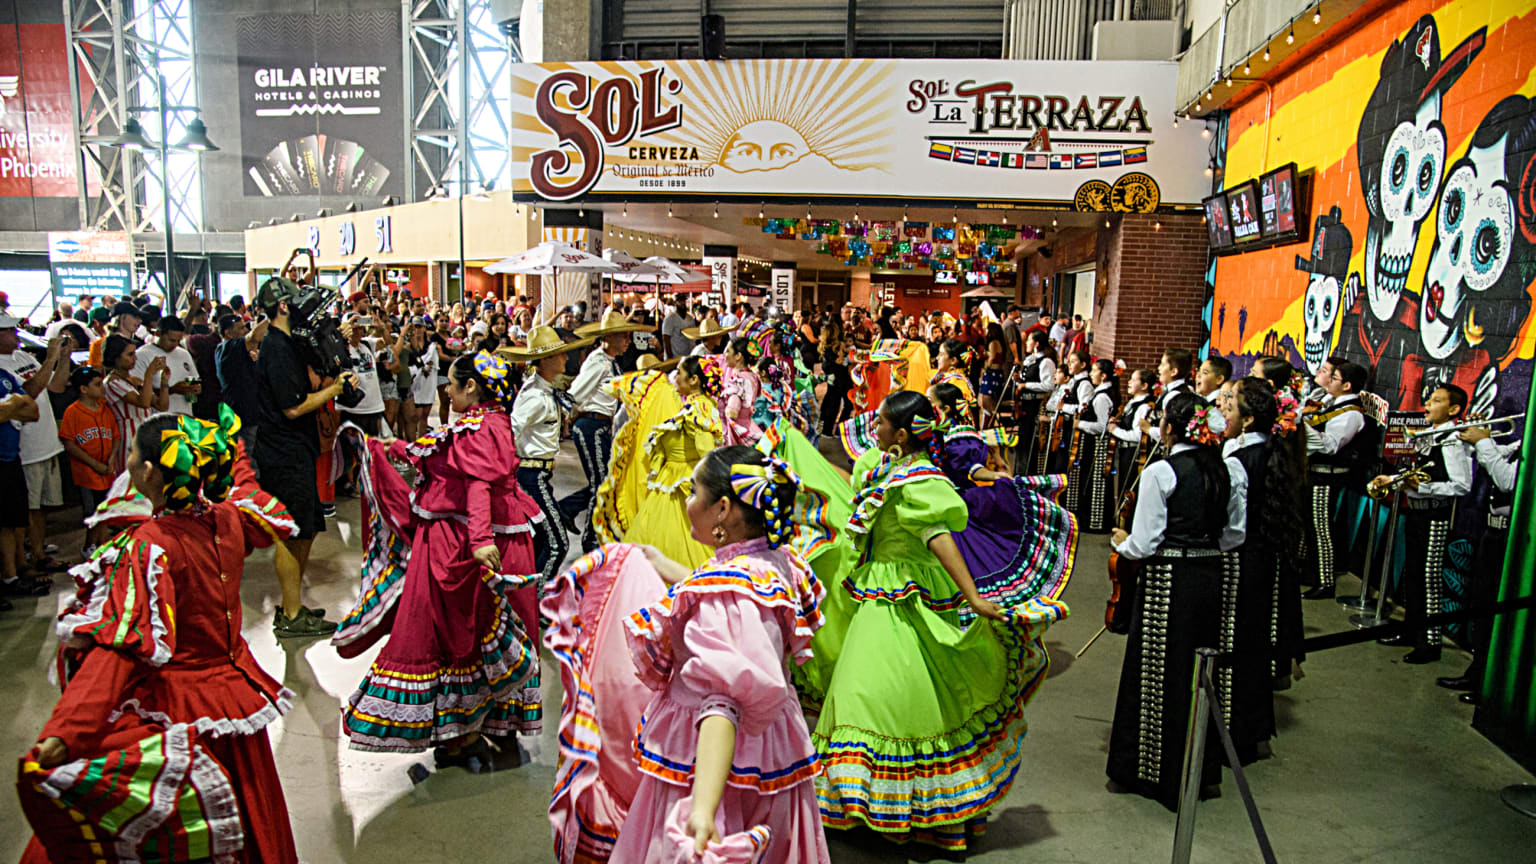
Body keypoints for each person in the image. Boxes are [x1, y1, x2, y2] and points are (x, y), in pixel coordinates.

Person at [18, 410, 302, 863]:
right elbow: (244, 485)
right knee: (248, 820)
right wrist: (229, 445)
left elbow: (120, 647)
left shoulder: (150, 545)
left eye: (131, 451)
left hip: (176, 713)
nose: (127, 459)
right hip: (229, 701)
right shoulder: (229, 519)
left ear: (147, 471)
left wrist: (68, 730)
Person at [809, 391, 1058, 852]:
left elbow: (939, 537)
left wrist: (975, 597)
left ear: (902, 434)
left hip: (905, 594)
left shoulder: (919, 480)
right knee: (880, 694)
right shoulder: (883, 467)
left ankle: (919, 815)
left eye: (881, 421)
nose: (873, 426)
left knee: (879, 693)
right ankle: (888, 810)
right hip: (876, 589)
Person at [337, 352, 543, 762]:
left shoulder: (483, 428)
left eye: (452, 383)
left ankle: (469, 730)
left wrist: (480, 540)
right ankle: (472, 729)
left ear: (471, 387)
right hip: (463, 537)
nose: (446, 391)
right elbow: (432, 454)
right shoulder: (477, 424)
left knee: (464, 634)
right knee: (464, 637)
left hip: (476, 543)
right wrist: (388, 446)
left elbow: (479, 485)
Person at [1107, 391, 1245, 810]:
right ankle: (1197, 770)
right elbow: (1234, 534)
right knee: (1201, 673)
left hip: (1168, 581)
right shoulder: (1229, 470)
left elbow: (1146, 542)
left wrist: (1122, 543)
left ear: (1169, 427)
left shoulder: (1161, 473)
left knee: (1157, 674)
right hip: (1211, 577)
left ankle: (1152, 772)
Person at [254, 277, 355, 639]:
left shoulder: (287, 343)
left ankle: (293, 605)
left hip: (296, 449)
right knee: (290, 531)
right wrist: (335, 389)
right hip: (283, 452)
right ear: (282, 306)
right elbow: (293, 408)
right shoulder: (276, 348)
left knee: (305, 529)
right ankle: (291, 612)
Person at [927, 381, 1076, 616]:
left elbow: (971, 468)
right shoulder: (937, 431)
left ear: (945, 409)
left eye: (930, 403)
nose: (926, 408)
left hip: (953, 502)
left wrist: (996, 475)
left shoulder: (959, 434)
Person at [1217, 377, 1305, 762]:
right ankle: (1250, 726)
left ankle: (1230, 728)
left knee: (1233, 645)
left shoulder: (1237, 462)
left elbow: (1231, 527)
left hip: (1239, 562)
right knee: (1253, 645)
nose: (1223, 411)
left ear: (1248, 420)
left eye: (1231, 406)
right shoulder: (1276, 453)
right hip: (1264, 561)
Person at [1374, 385, 1471, 664]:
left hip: (1434, 516)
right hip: (1416, 513)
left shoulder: (1451, 441)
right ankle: (1411, 631)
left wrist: (1424, 490)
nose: (1428, 404)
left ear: (1453, 410)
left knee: (1428, 580)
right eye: (1429, 399)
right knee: (1413, 575)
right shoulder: (1430, 435)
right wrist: (1393, 482)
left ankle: (1430, 643)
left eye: (1437, 401)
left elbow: (1461, 486)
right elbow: (1422, 474)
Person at [1440, 421, 1519, 702]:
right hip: (1493, 531)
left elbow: (1508, 480)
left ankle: (1487, 684)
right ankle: (1477, 673)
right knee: (1481, 606)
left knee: (1495, 611)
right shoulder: (1523, 444)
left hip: (1511, 537)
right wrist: (1479, 437)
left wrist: (1483, 442)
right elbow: (1500, 455)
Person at [509, 326, 594, 582]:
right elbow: (510, 431)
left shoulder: (544, 391)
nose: (566, 358)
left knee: (542, 541)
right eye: (560, 354)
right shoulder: (535, 396)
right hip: (531, 476)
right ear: (545, 360)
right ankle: (537, 602)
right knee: (556, 543)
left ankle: (529, 603)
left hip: (539, 474)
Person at [626, 356, 723, 570]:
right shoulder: (692, 405)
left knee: (678, 540)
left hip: (683, 481)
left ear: (694, 380)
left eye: (679, 372)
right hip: (674, 477)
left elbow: (706, 451)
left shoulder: (699, 409)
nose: (675, 377)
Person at [565, 310, 649, 552]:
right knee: (600, 481)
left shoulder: (610, 362)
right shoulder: (598, 362)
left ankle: (570, 510)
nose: (628, 342)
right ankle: (591, 536)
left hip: (601, 425)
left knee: (604, 480)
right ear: (610, 338)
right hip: (590, 424)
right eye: (623, 337)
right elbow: (576, 393)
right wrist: (568, 414)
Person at [1300, 359, 1373, 599]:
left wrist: (1301, 426)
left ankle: (1325, 581)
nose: (1328, 381)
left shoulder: (1351, 413)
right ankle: (1308, 570)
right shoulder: (1331, 403)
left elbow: (1330, 445)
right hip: (1314, 472)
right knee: (1308, 525)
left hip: (1328, 476)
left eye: (1334, 378)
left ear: (1348, 386)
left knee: (1321, 527)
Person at [0, 323, 69, 573]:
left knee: (42, 507)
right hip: (24, 448)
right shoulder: (2, 366)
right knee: (23, 513)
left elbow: (56, 386)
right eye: (8, 330)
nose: (15, 333)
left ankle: (38, 552)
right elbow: (30, 391)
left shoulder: (21, 356)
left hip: (47, 442)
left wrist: (63, 359)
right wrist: (50, 357)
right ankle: (24, 560)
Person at [57, 367, 117, 558]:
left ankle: (103, 542)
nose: (102, 388)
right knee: (92, 512)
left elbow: (115, 436)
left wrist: (112, 458)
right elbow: (69, 443)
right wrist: (94, 464)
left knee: (106, 507)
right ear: (83, 389)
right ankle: (89, 545)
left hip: (106, 469)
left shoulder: (104, 408)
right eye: (97, 385)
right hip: (87, 473)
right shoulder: (73, 412)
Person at [103, 334, 169, 477]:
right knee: (132, 479)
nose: (135, 358)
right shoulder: (112, 383)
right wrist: (149, 375)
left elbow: (161, 405)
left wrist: (164, 382)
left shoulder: (134, 379)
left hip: (145, 433)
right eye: (130, 354)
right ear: (116, 357)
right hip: (127, 435)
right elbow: (143, 403)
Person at [1073, 358, 1121, 533]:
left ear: (1103, 375)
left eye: (1094, 371)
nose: (1091, 374)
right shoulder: (1101, 393)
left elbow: (1102, 426)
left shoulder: (1101, 397)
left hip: (1097, 447)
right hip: (1093, 446)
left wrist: (1081, 425)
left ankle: (1096, 522)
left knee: (1096, 484)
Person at [215, 314, 268, 459]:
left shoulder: (240, 353)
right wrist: (274, 314)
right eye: (241, 328)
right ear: (227, 332)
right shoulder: (226, 349)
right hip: (243, 418)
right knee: (247, 464)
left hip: (252, 416)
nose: (245, 330)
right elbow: (253, 338)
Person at [133, 315, 199, 416]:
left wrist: (195, 388)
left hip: (185, 416)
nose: (176, 344)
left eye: (179, 340)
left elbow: (194, 377)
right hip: (158, 418)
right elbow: (138, 392)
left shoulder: (183, 353)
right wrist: (172, 389)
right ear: (158, 333)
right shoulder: (142, 355)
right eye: (172, 340)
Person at [1110, 369, 1157, 504]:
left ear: (1144, 386)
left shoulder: (1144, 407)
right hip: (1124, 451)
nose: (1129, 382)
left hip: (1133, 453)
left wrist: (1115, 430)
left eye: (1134, 380)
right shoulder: (1133, 403)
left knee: (1128, 490)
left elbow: (1138, 435)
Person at [1015, 330, 1057, 472]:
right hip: (1024, 404)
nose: (1026, 343)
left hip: (1035, 404)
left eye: (1029, 340)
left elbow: (1048, 385)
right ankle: (1020, 471)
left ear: (1036, 343)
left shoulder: (1046, 362)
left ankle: (1029, 471)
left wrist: (1026, 385)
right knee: (1022, 440)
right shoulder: (1031, 359)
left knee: (1030, 440)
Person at [339, 314, 386, 436]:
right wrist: (346, 327)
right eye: (355, 328)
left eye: (361, 328)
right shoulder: (341, 348)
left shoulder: (366, 344)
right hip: (353, 409)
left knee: (373, 447)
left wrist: (381, 328)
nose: (358, 331)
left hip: (373, 406)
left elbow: (387, 341)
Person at [1140, 347, 1193, 447]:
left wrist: (1149, 429)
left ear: (1173, 372)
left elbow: (1172, 431)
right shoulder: (1168, 391)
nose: (1158, 368)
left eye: (1163, 365)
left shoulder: (1174, 395)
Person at [718, 336, 763, 446]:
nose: (724, 354)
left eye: (728, 351)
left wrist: (728, 409)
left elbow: (732, 412)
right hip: (750, 425)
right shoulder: (752, 376)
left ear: (738, 356)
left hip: (737, 433)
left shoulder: (738, 380)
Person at [819, 319, 852, 436]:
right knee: (845, 403)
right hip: (840, 378)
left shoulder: (826, 347)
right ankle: (837, 430)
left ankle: (828, 430)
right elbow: (839, 361)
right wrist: (843, 350)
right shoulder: (836, 347)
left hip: (834, 378)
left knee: (833, 403)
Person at [87, 302, 141, 368]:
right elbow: (97, 373)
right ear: (121, 317)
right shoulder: (99, 345)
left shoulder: (138, 343)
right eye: (134, 316)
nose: (139, 321)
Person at [1194, 355, 1232, 435]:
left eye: (1204, 373)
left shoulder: (1220, 405)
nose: (1198, 375)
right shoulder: (1199, 400)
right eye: (1198, 371)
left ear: (1219, 379)